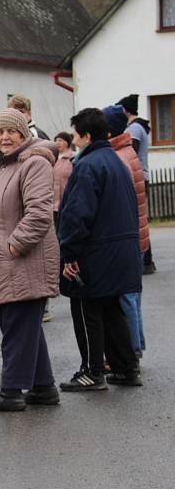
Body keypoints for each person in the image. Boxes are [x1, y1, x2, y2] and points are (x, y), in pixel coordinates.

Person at [0, 109, 59, 411]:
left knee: (17, 329)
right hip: (6, 263)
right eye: (1, 132)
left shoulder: (33, 164)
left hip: (21, 260)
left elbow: (39, 214)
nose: (5, 137)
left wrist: (13, 247)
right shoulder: (2, 166)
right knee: (25, 327)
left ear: (24, 134)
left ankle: (11, 392)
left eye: (12, 131)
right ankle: (43, 387)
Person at [58, 108, 142, 392]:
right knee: (112, 311)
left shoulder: (88, 164)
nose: (75, 143)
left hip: (95, 253)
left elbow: (77, 214)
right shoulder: (117, 161)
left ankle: (92, 371)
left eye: (76, 137)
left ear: (87, 136)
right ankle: (126, 367)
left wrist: (69, 254)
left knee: (86, 311)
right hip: (120, 251)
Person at [103, 105, 150, 358]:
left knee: (127, 299)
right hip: (137, 234)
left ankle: (130, 350)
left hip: (128, 237)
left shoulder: (118, 156)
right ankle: (136, 345)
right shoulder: (126, 150)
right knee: (133, 297)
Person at [116, 93, 155, 274]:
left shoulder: (134, 129)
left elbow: (131, 151)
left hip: (137, 176)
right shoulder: (138, 126)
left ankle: (145, 259)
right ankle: (146, 260)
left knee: (137, 219)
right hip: (142, 175)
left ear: (125, 110)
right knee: (139, 218)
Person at [52, 132, 74, 223]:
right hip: (53, 204)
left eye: (60, 140)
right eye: (56, 141)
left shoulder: (74, 158)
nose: (57, 143)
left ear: (67, 142)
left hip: (67, 202)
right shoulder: (52, 157)